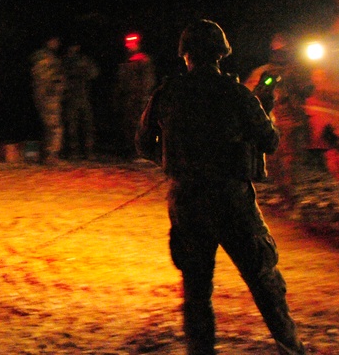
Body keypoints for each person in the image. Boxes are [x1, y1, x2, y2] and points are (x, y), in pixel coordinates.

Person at [136, 20, 306, 355]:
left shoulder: (168, 93)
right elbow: (269, 142)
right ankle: (291, 349)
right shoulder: (236, 93)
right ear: (220, 54)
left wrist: (176, 165)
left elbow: (144, 144)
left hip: (187, 201)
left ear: (186, 55)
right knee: (264, 282)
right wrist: (265, 109)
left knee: (197, 291)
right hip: (233, 201)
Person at [243, 33, 314, 214]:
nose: (281, 55)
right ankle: (285, 196)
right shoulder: (264, 72)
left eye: (285, 51)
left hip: (292, 123)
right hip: (273, 124)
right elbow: (250, 94)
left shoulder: (297, 72)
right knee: (274, 164)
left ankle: (291, 200)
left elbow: (308, 91)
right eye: (279, 51)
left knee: (290, 163)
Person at [114, 32, 156, 158]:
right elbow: (121, 82)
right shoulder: (127, 62)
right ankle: (132, 151)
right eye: (129, 44)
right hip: (128, 99)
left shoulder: (143, 60)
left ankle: (142, 153)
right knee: (129, 126)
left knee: (141, 126)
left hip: (139, 99)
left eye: (133, 44)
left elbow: (148, 80)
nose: (130, 46)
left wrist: (142, 96)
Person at [30, 35, 66, 163]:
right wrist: (58, 84)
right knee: (55, 127)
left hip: (45, 96)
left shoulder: (42, 57)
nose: (56, 44)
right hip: (49, 96)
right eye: (54, 41)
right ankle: (51, 155)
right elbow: (48, 79)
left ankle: (47, 154)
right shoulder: (46, 59)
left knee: (49, 126)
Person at [61, 42, 100, 159]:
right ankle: (74, 152)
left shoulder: (84, 60)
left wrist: (83, 70)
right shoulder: (64, 61)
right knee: (72, 126)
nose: (74, 49)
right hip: (71, 98)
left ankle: (89, 151)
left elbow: (94, 73)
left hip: (83, 97)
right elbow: (61, 77)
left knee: (87, 125)